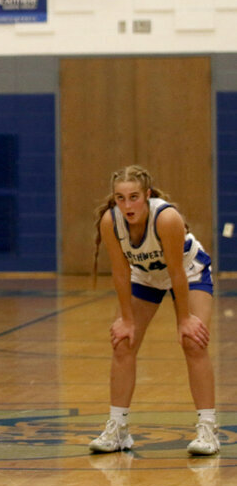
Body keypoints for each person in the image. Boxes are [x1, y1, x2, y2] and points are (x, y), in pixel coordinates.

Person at [89, 165, 218, 455]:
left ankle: (208, 430)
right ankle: (118, 428)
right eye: (120, 198)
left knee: (193, 342)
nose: (127, 205)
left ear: (147, 195)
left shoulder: (167, 218)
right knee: (123, 342)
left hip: (188, 272)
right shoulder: (111, 222)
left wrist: (184, 319)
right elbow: (121, 273)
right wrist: (125, 319)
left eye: (134, 197)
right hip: (145, 275)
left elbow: (176, 272)